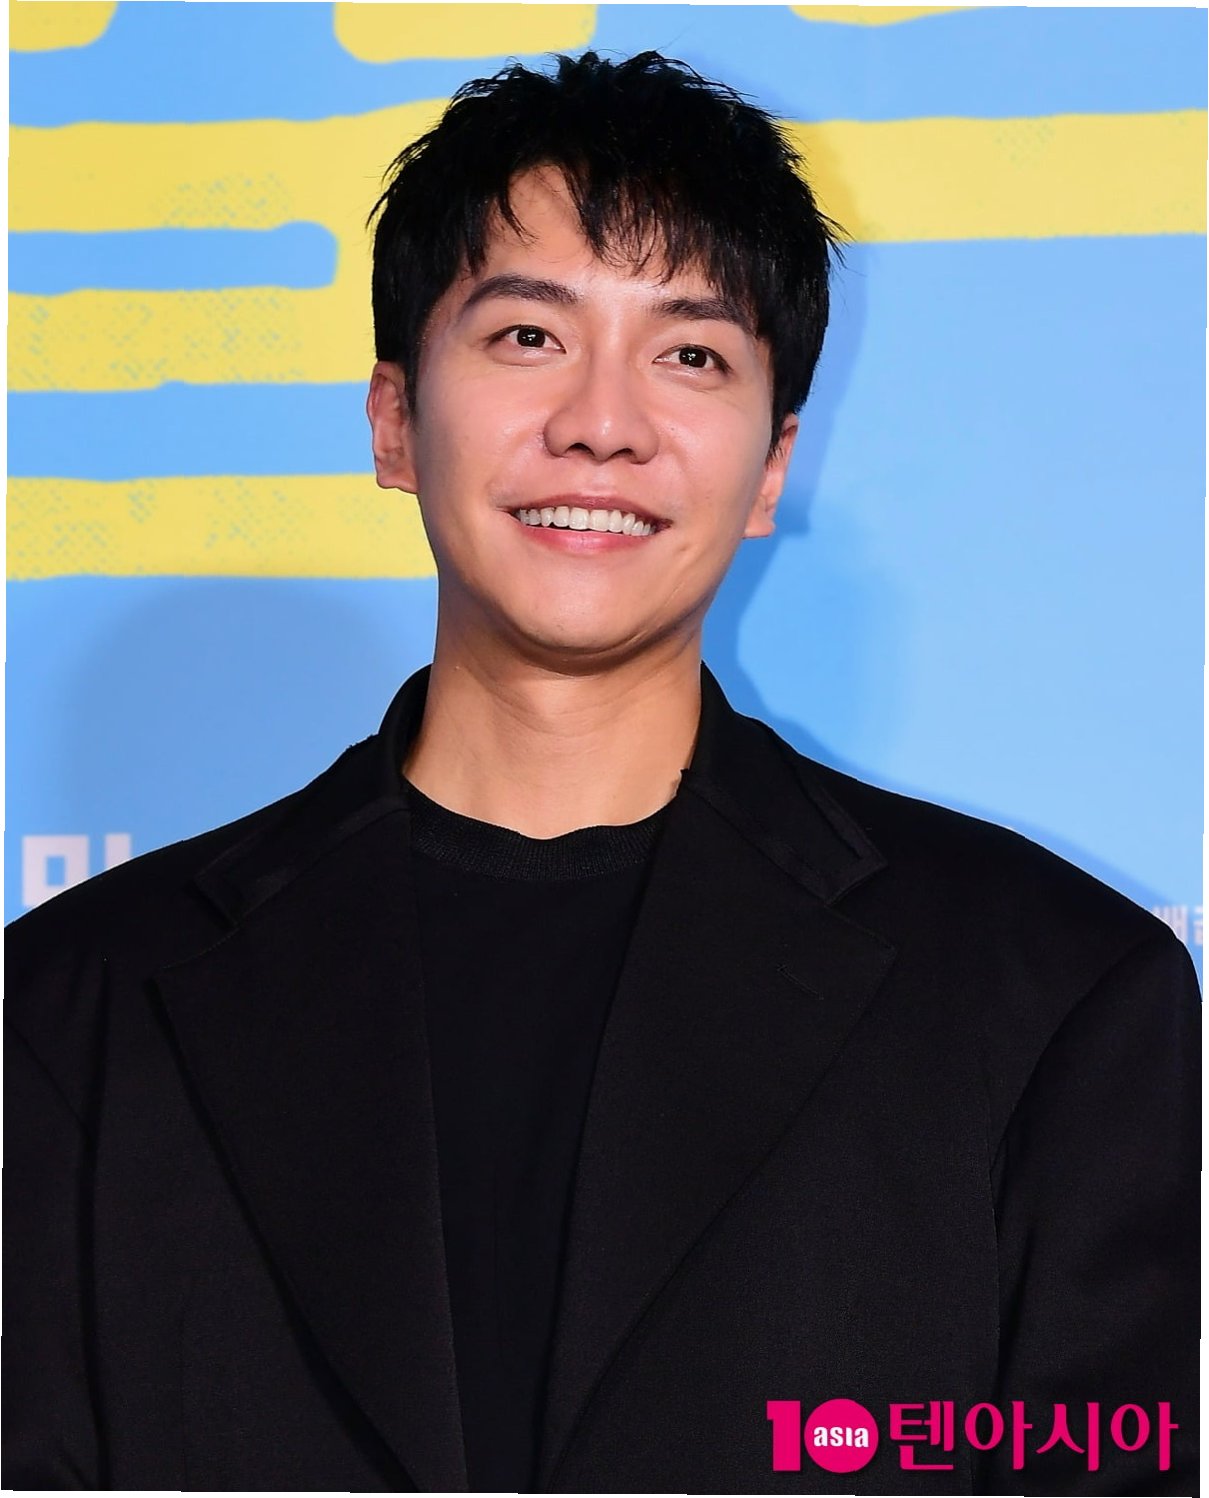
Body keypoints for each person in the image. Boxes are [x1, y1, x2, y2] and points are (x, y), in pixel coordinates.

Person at [3, 50, 1198, 1496]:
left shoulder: (1056, 996)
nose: (602, 422)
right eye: (527, 335)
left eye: (690, 356)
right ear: (393, 420)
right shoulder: (74, 1006)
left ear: (772, 466)